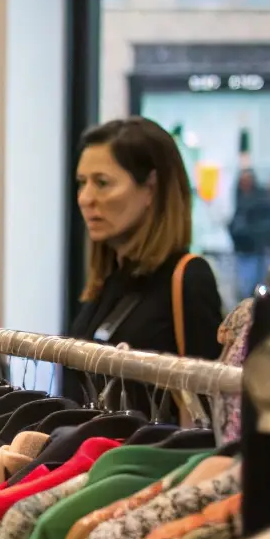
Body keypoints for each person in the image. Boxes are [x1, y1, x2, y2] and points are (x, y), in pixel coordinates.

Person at [66, 116, 223, 404]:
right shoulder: (110, 279)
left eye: (102, 183)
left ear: (151, 187)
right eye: (81, 183)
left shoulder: (187, 278)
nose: (85, 198)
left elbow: (208, 406)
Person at [228, 167, 270, 298]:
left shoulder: (260, 199)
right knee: (244, 288)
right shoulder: (240, 197)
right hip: (243, 248)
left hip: (256, 249)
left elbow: (269, 223)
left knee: (255, 286)